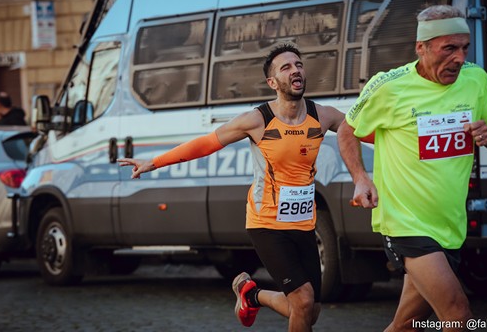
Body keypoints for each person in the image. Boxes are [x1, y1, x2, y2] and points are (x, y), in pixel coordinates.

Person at [118, 43, 344, 331]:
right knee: (302, 301)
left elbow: (357, 128)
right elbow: (205, 144)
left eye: (298, 64)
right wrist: (154, 162)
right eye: (286, 67)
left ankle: (251, 294)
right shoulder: (258, 120)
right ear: (272, 83)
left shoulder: (322, 115)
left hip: (303, 223)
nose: (295, 70)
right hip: (266, 224)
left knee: (309, 310)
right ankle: (253, 295)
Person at [337, 4, 487, 332]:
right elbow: (347, 129)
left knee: (407, 325)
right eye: (449, 48)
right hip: (405, 223)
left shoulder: (476, 80)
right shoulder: (389, 86)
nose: (459, 57)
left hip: (448, 224)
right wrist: (361, 178)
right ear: (422, 48)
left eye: (463, 48)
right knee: (457, 313)